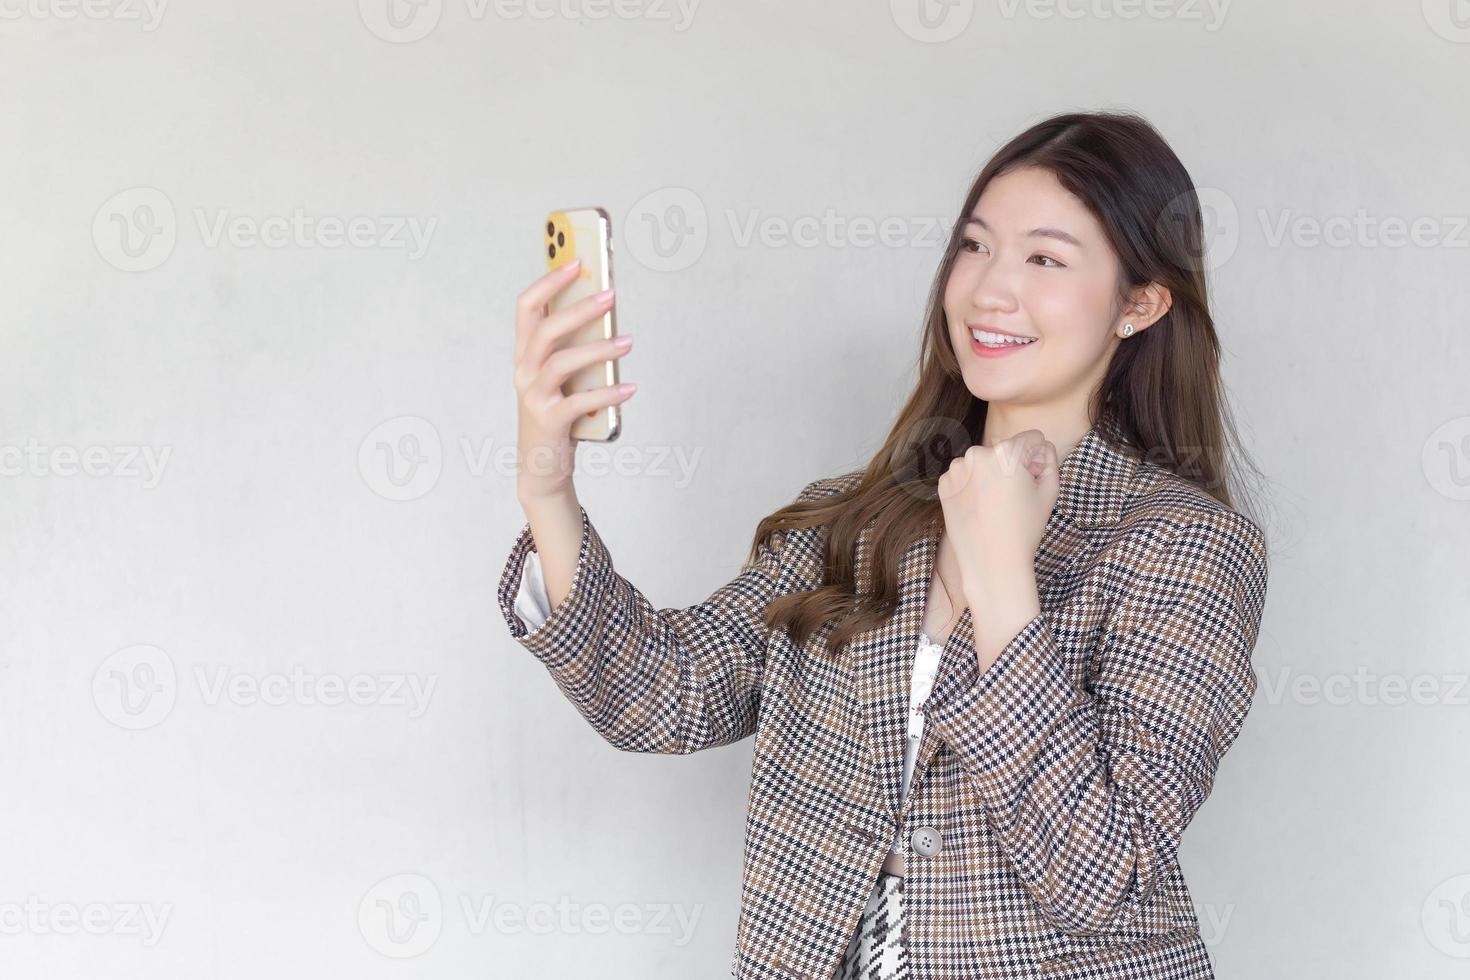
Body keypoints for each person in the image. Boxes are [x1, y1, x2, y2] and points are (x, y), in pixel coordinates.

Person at [498, 109, 1272, 980]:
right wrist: (548, 487)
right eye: (975, 246)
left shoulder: (1185, 545)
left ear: (1141, 303)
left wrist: (1003, 580)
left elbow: (1102, 874)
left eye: (1045, 259)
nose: (989, 290)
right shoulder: (851, 521)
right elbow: (663, 696)